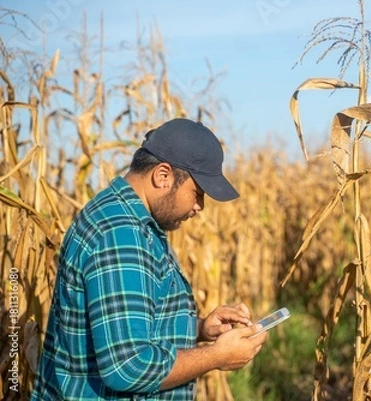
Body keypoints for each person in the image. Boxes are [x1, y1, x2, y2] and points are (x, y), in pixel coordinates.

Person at [31, 118, 268, 400]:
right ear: (163, 176)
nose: (199, 206)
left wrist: (200, 328)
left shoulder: (127, 218)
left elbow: (125, 324)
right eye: (198, 193)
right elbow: (127, 366)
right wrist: (215, 357)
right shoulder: (120, 235)